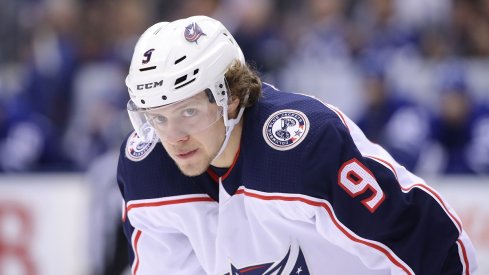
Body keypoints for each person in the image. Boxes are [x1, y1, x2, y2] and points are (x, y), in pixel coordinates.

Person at [117, 15, 477, 274]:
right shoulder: (147, 170)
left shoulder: (303, 147)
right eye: (157, 117)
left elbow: (434, 246)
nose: (173, 136)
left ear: (231, 97)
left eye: (189, 111)